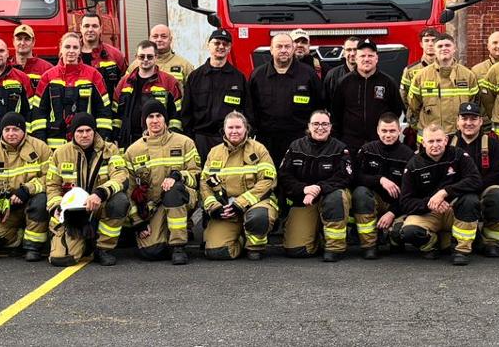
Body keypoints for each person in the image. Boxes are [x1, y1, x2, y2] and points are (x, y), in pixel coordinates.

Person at [392, 123, 484, 266]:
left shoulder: (458, 155)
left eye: (439, 140)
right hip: (428, 212)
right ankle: (433, 243)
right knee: (408, 232)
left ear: (446, 140)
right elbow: (405, 202)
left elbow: (476, 180)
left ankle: (461, 250)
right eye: (431, 141)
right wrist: (430, 203)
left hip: (452, 210)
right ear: (423, 142)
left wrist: (445, 192)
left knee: (470, 200)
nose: (435, 145)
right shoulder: (413, 165)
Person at [45, 113, 129, 266]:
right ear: (73, 133)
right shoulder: (60, 153)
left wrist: (100, 193)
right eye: (80, 131)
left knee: (120, 201)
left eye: (88, 130)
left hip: (99, 206)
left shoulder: (110, 150)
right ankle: (84, 243)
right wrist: (57, 207)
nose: (84, 135)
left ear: (94, 131)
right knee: (61, 259)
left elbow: (120, 176)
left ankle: (103, 248)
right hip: (73, 214)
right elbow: (52, 186)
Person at [122, 99, 201, 264]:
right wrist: (138, 223)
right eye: (150, 116)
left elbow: (197, 176)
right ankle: (171, 230)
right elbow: (129, 191)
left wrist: (178, 176)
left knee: (174, 191)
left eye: (159, 116)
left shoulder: (185, 143)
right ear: (144, 120)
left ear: (165, 119)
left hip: (183, 198)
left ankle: (178, 246)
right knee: (152, 252)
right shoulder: (133, 151)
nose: (155, 120)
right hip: (154, 208)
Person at [0, 111, 53, 262]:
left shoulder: (41, 148)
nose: (11, 134)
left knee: (41, 200)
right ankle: (18, 237)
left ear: (24, 131)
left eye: (16, 129)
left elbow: (50, 178)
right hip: (5, 208)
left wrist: (27, 190)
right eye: (7, 130)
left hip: (31, 202)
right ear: (1, 131)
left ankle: (33, 246)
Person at [201, 112, 278, 260]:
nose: (234, 131)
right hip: (227, 208)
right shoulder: (214, 153)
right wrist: (214, 207)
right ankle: (242, 238)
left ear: (246, 129)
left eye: (238, 127)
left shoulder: (259, 149)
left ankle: (255, 246)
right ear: (224, 130)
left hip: (256, 204)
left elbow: (268, 181)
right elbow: (205, 183)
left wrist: (240, 203)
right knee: (217, 252)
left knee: (258, 218)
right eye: (230, 127)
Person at [279, 110, 351, 261]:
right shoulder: (295, 146)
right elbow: (284, 176)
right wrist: (303, 189)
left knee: (337, 196)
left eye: (325, 124)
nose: (320, 128)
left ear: (330, 127)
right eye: (316, 124)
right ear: (309, 126)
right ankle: (316, 237)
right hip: (304, 201)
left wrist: (318, 188)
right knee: (297, 250)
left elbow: (344, 177)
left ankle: (334, 247)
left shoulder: (340, 148)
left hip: (329, 198)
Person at [450, 102, 499, 257]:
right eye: (464, 118)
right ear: (457, 121)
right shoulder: (447, 144)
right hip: (455, 192)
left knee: (498, 194)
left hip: (482, 190)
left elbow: (497, 174)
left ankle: (491, 241)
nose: (469, 123)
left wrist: (473, 187)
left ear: (481, 122)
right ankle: (458, 241)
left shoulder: (492, 143)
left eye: (473, 119)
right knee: (467, 199)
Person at [352, 113, 414, 259]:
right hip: (373, 202)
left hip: (399, 206)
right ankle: (369, 245)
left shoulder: (408, 156)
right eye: (384, 131)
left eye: (392, 131)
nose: (388, 135)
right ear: (378, 131)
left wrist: (392, 212)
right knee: (360, 192)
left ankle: (394, 236)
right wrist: (380, 179)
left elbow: (411, 193)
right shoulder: (367, 150)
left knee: (397, 244)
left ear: (399, 131)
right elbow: (355, 178)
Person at [34, 33, 112, 147]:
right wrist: (41, 144)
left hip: (86, 144)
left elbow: (104, 111)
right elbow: (38, 114)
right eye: (67, 47)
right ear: (60, 49)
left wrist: (101, 141)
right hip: (54, 146)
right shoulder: (48, 77)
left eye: (75, 47)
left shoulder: (94, 75)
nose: (71, 51)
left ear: (80, 50)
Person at [247, 31, 321, 149]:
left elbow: (319, 106)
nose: (283, 50)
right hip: (266, 142)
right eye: (279, 46)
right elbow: (250, 108)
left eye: (287, 46)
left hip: (301, 141)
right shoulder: (258, 75)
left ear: (292, 49)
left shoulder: (309, 74)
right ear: (271, 49)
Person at [328, 39, 404, 151]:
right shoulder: (343, 82)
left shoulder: (388, 82)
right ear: (356, 58)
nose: (367, 59)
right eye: (363, 56)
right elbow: (336, 114)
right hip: (350, 144)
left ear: (377, 58)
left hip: (379, 144)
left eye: (370, 56)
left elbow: (396, 111)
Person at [181, 30, 249, 157]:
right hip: (201, 140)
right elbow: (186, 112)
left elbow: (248, 110)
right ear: (208, 45)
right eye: (217, 43)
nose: (221, 46)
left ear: (230, 48)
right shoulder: (195, 77)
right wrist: (190, 138)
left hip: (230, 140)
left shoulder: (238, 78)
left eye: (225, 44)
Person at [112, 40, 182, 146]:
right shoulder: (124, 82)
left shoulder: (169, 82)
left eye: (149, 57)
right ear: (136, 57)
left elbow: (177, 115)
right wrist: (115, 137)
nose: (145, 60)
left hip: (159, 141)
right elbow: (116, 114)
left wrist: (171, 137)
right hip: (128, 141)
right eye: (141, 57)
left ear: (156, 57)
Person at [408, 34, 479, 134]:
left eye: (447, 45)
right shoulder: (421, 76)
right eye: (440, 46)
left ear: (454, 48)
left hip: (458, 135)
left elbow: (475, 103)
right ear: (434, 50)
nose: (444, 48)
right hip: (432, 137)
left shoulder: (468, 75)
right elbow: (413, 106)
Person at [400, 27, 444, 106]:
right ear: (421, 44)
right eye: (426, 40)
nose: (430, 44)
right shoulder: (410, 71)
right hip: (420, 116)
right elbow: (404, 97)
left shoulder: (447, 68)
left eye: (433, 40)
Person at [79, 14, 128, 85]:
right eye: (86, 26)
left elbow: (127, 83)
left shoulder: (115, 55)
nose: (90, 30)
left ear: (101, 29)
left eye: (94, 26)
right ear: (80, 28)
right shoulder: (71, 55)